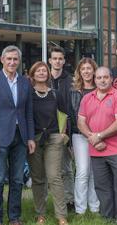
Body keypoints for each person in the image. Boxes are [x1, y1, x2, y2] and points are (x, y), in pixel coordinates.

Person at [0, 45, 35, 225]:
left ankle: (14, 217)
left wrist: (30, 138)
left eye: (15, 59)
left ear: (19, 61)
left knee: (17, 180)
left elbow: (28, 112)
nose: (12, 62)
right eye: (9, 59)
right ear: (3, 60)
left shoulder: (25, 82)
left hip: (20, 138)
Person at [77, 67, 117, 224]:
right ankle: (108, 216)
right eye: (99, 77)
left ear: (111, 78)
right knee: (102, 186)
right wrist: (93, 139)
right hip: (96, 150)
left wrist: (99, 136)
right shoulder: (87, 98)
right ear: (95, 79)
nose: (102, 80)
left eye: (105, 77)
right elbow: (81, 122)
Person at [28, 61, 69, 225]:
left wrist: (63, 134)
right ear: (32, 74)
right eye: (38, 71)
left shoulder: (55, 94)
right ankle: (40, 214)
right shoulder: (28, 94)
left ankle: (61, 215)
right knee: (38, 178)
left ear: (48, 74)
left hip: (53, 139)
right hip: (34, 139)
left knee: (54, 177)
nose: (41, 73)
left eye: (44, 71)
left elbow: (64, 114)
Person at [68, 57, 100, 215]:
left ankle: (94, 207)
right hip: (79, 135)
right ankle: (80, 209)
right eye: (83, 69)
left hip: (98, 135)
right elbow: (70, 116)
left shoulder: (100, 89)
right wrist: (69, 143)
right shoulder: (73, 90)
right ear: (79, 72)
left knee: (95, 171)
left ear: (94, 70)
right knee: (82, 171)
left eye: (89, 68)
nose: (86, 71)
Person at [49, 46, 75, 212]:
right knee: (49, 171)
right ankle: (48, 202)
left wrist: (69, 135)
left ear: (64, 61)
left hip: (65, 130)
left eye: (60, 58)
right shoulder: (43, 78)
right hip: (46, 129)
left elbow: (72, 109)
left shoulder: (71, 80)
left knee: (66, 168)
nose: (57, 61)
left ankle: (70, 200)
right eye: (54, 58)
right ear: (50, 60)